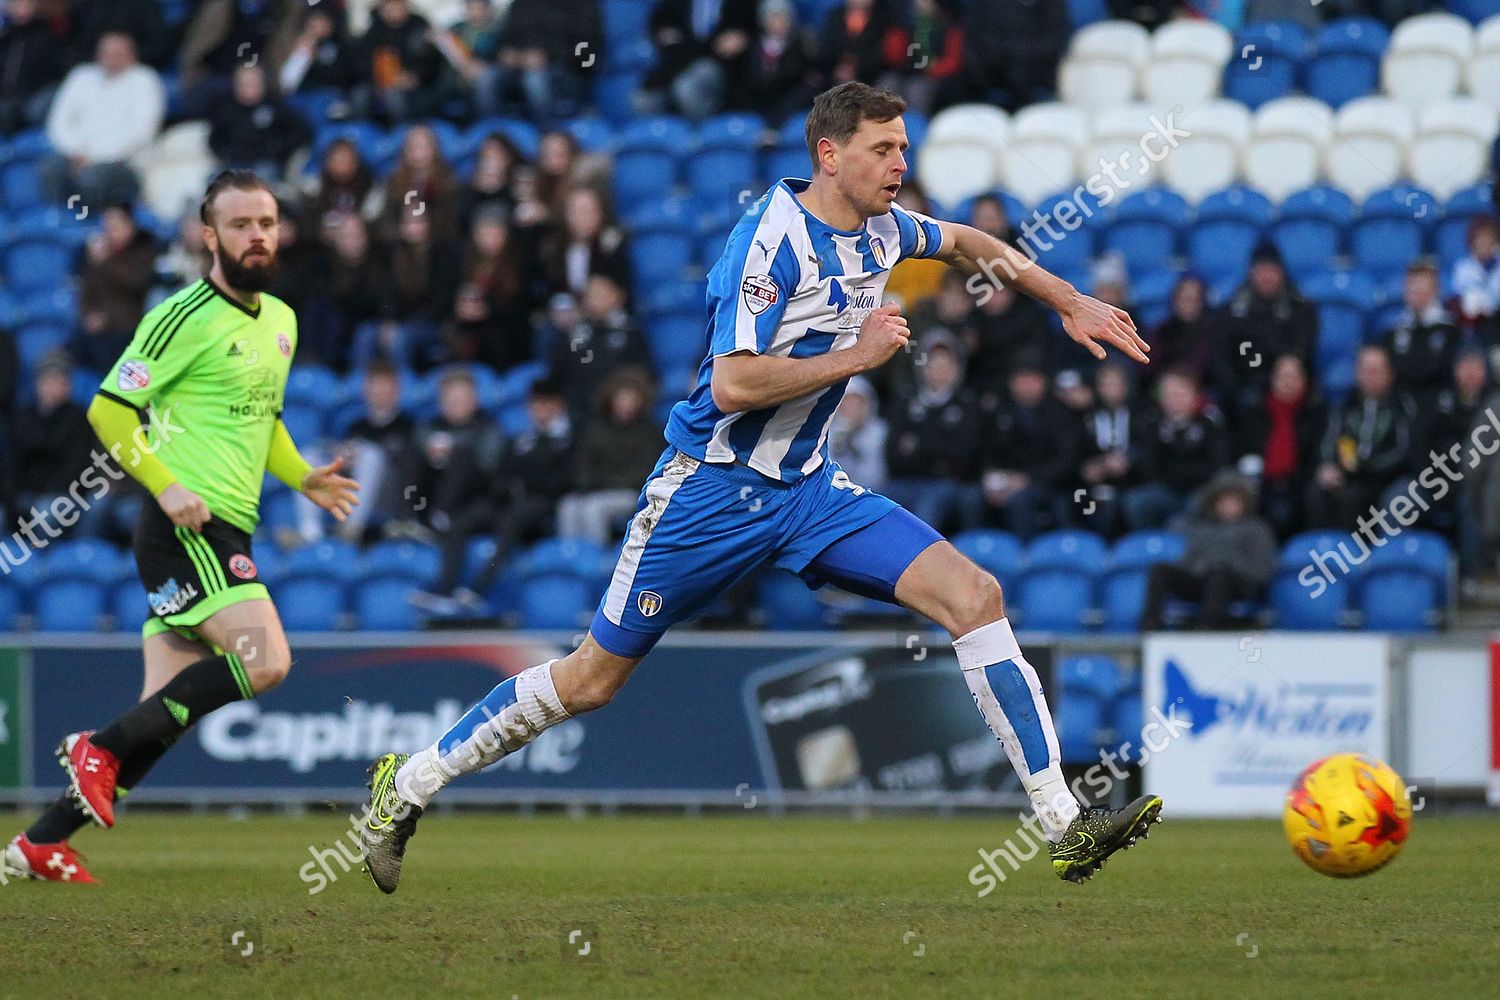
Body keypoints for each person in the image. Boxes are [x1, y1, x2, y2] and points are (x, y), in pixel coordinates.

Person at [359, 82, 1159, 894]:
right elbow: (735, 385)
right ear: (829, 155)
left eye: (905, 148)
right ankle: (411, 784)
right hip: (709, 494)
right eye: (883, 150)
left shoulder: (884, 229)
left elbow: (960, 242)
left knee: (976, 594)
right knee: (590, 680)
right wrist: (859, 356)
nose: (900, 164)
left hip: (809, 492)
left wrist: (1069, 299)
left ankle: (1064, 823)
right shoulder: (768, 242)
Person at [3, 171, 359, 883]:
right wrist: (166, 490)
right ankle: (96, 747)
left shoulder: (282, 321)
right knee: (267, 660)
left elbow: (265, 418)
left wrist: (302, 477)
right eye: (240, 224)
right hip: (187, 529)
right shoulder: (182, 316)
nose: (257, 235)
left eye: (267, 222)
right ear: (209, 237)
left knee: (163, 715)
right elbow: (108, 411)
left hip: (227, 529)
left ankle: (38, 844)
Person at [40, 31, 164, 208]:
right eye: (107, 53)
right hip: (76, 154)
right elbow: (58, 122)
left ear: (132, 55)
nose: (112, 58)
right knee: (50, 170)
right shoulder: (81, 76)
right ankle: (58, 223)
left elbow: (141, 133)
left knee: (90, 179)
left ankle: (90, 225)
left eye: (118, 53)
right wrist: (76, 152)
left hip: (124, 162)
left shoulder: (145, 80)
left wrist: (93, 158)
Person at [1139, 473, 1278, 631]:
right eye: (1223, 501)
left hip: (1239, 583)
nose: (1228, 505)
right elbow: (1187, 562)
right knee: (1160, 570)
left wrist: (1227, 565)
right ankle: (1150, 627)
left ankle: (1210, 629)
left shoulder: (1257, 529)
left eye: (1233, 500)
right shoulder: (1203, 529)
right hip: (1203, 580)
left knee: (1218, 575)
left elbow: (1263, 569)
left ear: (1244, 502)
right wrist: (1202, 568)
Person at [1307, 345, 1416, 530]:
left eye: (1376, 371)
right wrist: (1328, 466)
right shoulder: (1344, 407)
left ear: (1389, 374)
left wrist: (1362, 468)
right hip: (1349, 475)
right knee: (1317, 492)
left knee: (1355, 498)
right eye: (1365, 370)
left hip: (1385, 477)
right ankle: (1323, 548)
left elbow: (1402, 451)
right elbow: (1331, 441)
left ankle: (1359, 554)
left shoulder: (1402, 407)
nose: (1370, 376)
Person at [1122, 368, 1229, 530]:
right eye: (1169, 394)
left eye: (1180, 394)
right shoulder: (1154, 425)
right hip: (1166, 488)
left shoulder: (1209, 424)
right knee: (1136, 502)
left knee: (1196, 508)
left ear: (1194, 396)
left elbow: (1216, 463)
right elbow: (1148, 466)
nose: (1174, 399)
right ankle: (1150, 547)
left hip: (1200, 488)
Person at [75, 204, 159, 372]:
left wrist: (106, 261)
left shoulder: (144, 249)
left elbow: (136, 283)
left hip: (132, 330)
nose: (111, 233)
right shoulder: (98, 257)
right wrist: (90, 315)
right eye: (107, 228)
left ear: (129, 225)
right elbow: (87, 293)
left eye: (115, 227)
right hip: (102, 334)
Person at [207, 62, 313, 180]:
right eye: (244, 83)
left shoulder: (275, 106)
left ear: (263, 83)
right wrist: (226, 153)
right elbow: (215, 138)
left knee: (262, 179)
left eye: (253, 82)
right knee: (213, 180)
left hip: (265, 164)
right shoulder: (227, 109)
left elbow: (302, 133)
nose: (249, 87)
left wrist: (277, 147)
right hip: (234, 163)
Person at [1380, 260, 1461, 403]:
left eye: (1423, 289)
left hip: (1438, 402)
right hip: (1401, 401)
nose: (1418, 295)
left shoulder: (1451, 330)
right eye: (1413, 289)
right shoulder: (1393, 331)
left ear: (1435, 291)